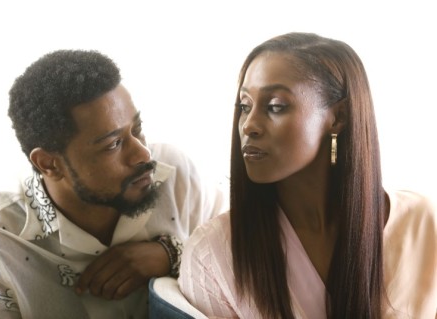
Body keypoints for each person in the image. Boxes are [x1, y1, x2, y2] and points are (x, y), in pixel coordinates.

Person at [0, 50, 227, 318]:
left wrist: (173, 255)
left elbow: (245, 257)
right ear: (48, 164)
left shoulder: (176, 174)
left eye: (137, 129)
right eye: (114, 144)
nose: (143, 154)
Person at [178, 32, 437, 318]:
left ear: (338, 118)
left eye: (275, 106)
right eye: (244, 106)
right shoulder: (213, 255)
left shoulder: (422, 224)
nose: (249, 126)